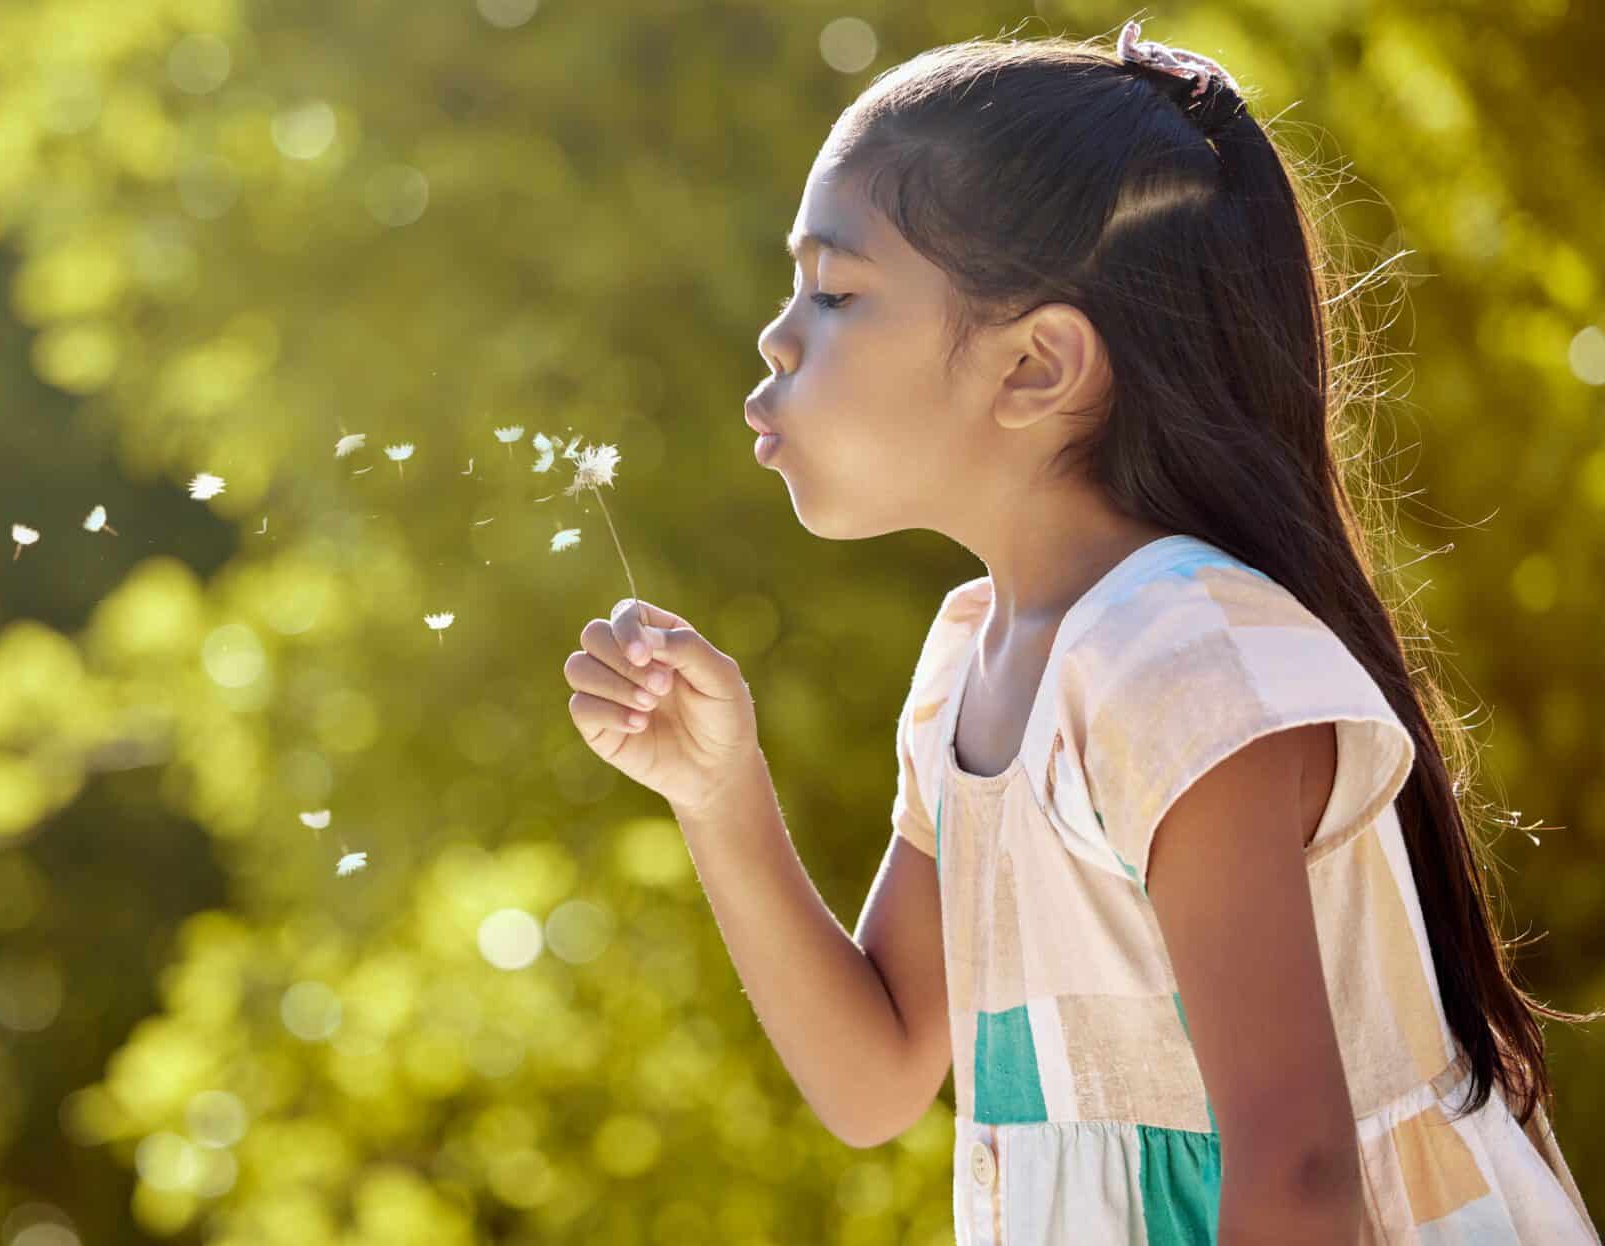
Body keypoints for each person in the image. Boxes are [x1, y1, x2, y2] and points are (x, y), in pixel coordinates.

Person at [562, 17, 1603, 1246]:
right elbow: (877, 1074)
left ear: (1037, 366)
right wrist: (719, 793)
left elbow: (1302, 1177)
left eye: (835, 291)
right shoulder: (974, 663)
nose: (776, 335)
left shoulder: (1178, 666)